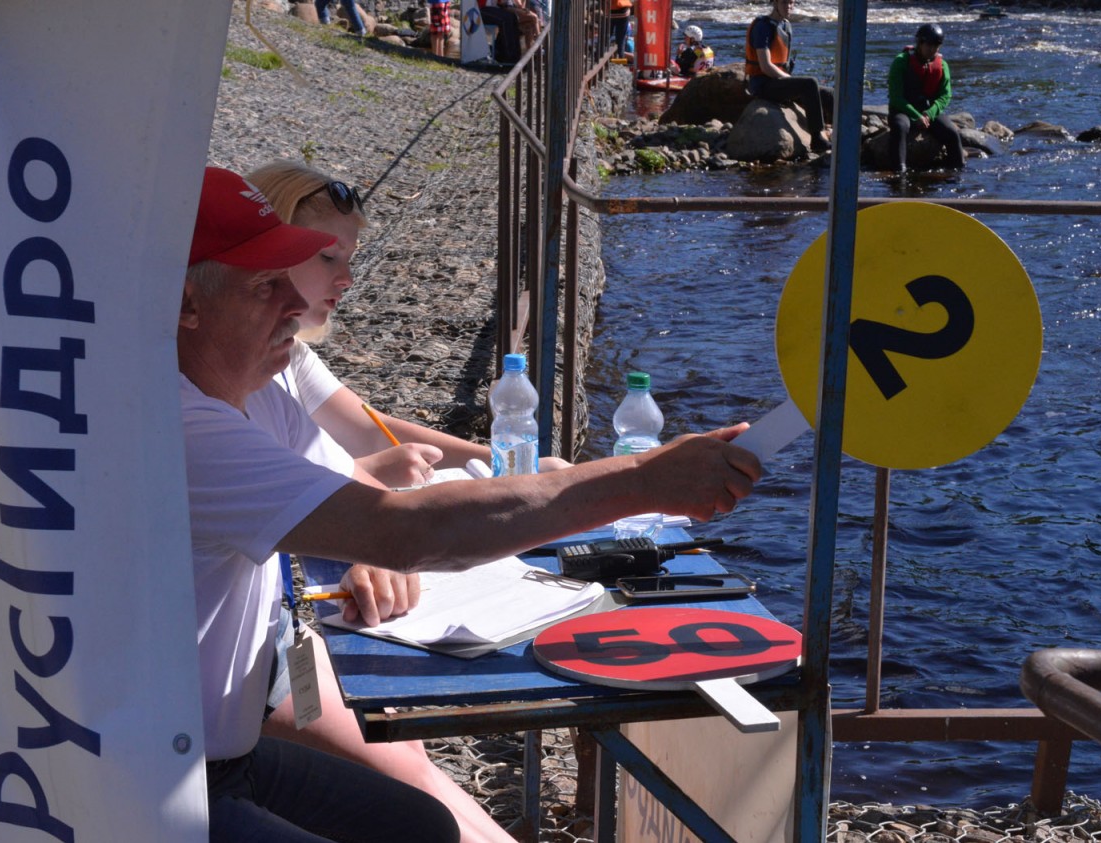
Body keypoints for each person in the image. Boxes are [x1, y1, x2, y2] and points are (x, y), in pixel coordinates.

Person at [178, 165, 761, 841]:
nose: (292, 301)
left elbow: (373, 510)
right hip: (174, 778)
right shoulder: (182, 425)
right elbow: (406, 531)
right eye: (264, 285)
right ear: (187, 303)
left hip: (230, 743)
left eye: (290, 274)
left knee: (425, 823)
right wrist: (642, 478)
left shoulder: (258, 387)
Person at [244, 159, 557, 843]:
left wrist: (507, 467)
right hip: (248, 667)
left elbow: (365, 434)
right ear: (265, 255)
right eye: (327, 257)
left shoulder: (282, 358)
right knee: (408, 775)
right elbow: (315, 494)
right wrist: (367, 518)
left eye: (348, 260)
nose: (346, 280)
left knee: (409, 757)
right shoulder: (223, 391)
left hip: (281, 634)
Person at [744, 0, 833, 153]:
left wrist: (788, 80)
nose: (789, 7)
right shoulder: (762, 27)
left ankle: (843, 133)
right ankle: (817, 138)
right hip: (762, 85)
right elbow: (765, 66)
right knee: (809, 83)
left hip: (778, 82)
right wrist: (789, 79)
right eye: (785, 3)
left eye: (791, 3)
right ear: (775, 3)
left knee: (830, 94)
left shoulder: (785, 25)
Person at [887, 22, 964, 173]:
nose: (932, 49)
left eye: (936, 46)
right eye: (929, 45)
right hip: (903, 110)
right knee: (900, 127)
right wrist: (916, 116)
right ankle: (899, 171)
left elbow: (945, 96)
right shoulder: (901, 61)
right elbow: (896, 97)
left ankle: (957, 171)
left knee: (952, 133)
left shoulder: (942, 66)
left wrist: (929, 113)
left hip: (928, 111)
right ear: (920, 43)